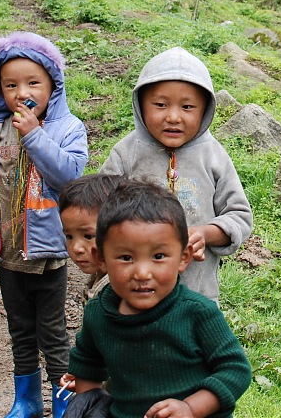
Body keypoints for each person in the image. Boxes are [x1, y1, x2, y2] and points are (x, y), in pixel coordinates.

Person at [66, 179, 252, 418]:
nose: (142, 273)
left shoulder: (196, 313)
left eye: (159, 256)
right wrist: (91, 406)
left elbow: (235, 370)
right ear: (100, 258)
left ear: (184, 257)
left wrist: (191, 408)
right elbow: (86, 367)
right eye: (125, 257)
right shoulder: (98, 314)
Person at [0, 31, 89, 418]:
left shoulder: (68, 128)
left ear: (52, 86)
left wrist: (34, 135)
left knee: (53, 333)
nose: (20, 92)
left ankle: (63, 404)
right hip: (9, 253)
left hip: (48, 254)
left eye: (32, 83)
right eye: (10, 85)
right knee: (20, 331)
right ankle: (25, 400)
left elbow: (69, 176)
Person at [99, 47, 252, 303]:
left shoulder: (213, 156)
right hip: (133, 288)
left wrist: (205, 232)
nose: (173, 117)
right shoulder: (126, 153)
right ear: (140, 106)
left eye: (188, 107)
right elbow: (98, 207)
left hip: (196, 292)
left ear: (204, 111)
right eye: (160, 105)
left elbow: (239, 216)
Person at [58, 173, 124, 304]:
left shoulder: (119, 294)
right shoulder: (100, 279)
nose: (76, 248)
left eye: (88, 236)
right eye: (69, 236)